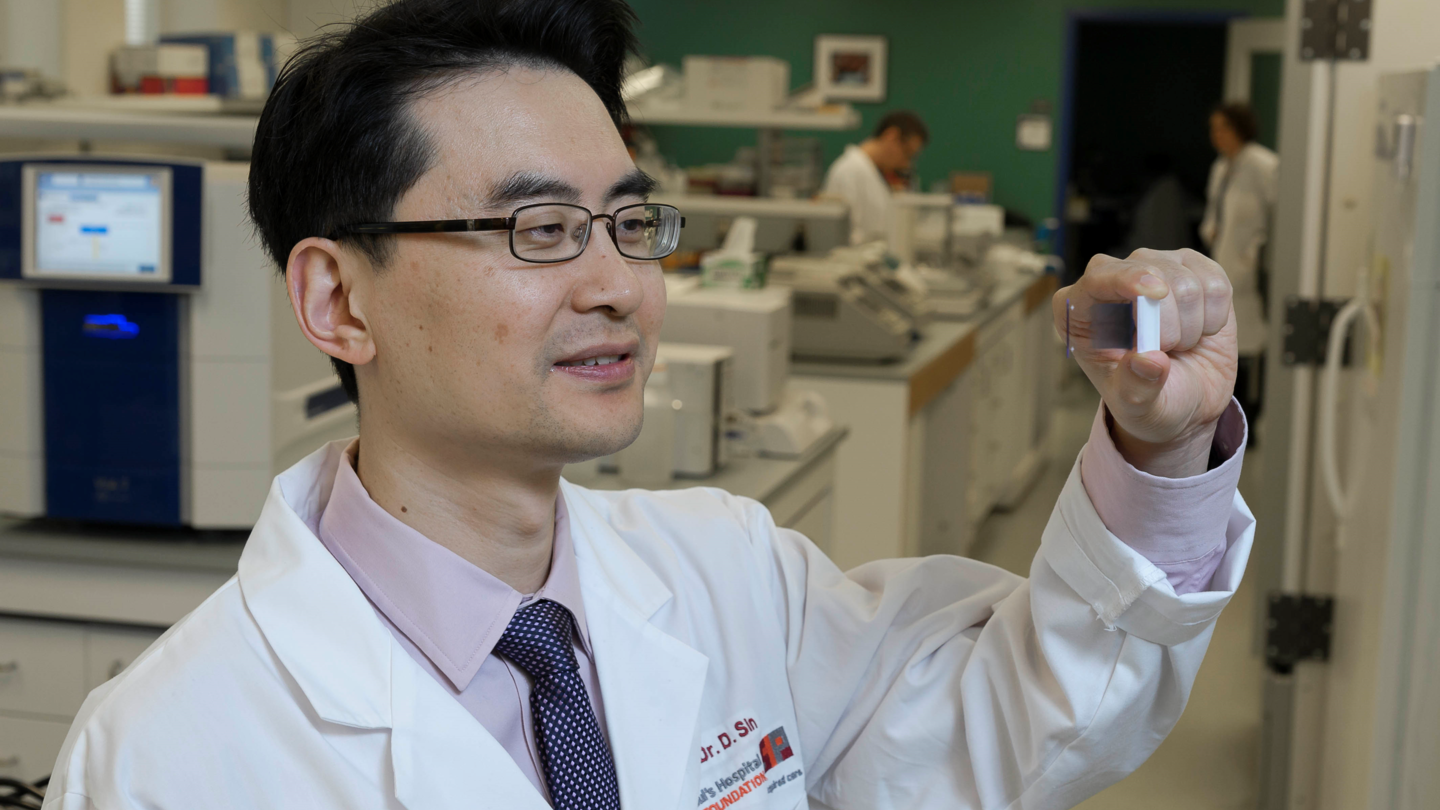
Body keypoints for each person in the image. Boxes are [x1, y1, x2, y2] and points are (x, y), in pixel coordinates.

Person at [43, 2, 1253, 808]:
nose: (620, 283)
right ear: (337, 299)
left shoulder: (731, 575)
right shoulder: (165, 751)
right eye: (539, 229)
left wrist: (1161, 442)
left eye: (631, 222)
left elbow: (1020, 724)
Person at [1202, 102, 1278, 441]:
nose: (1216, 136)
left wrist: (1256, 255)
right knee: (1226, 342)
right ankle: (1226, 419)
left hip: (1251, 272)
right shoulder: (1222, 167)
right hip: (1224, 265)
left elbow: (1277, 217)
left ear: (1239, 129)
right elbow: (1213, 211)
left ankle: (1250, 419)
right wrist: (1211, 230)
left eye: (1222, 128)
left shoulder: (1264, 165)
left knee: (1249, 344)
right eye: (1213, 129)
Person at [819, 110, 928, 245]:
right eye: (907, 153)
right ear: (891, 136)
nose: (907, 163)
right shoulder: (848, 171)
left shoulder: (875, 172)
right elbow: (843, 236)